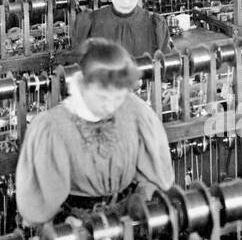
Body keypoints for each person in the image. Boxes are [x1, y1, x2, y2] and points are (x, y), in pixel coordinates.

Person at [15, 39, 174, 225]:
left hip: (128, 221)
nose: (110, 105)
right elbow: (39, 206)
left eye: (118, 97)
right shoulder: (52, 128)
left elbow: (155, 176)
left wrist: (141, 202)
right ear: (82, 84)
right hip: (74, 229)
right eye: (103, 97)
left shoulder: (136, 112)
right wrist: (62, 224)